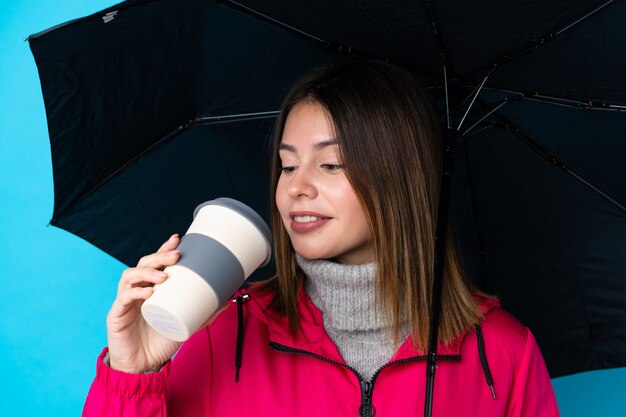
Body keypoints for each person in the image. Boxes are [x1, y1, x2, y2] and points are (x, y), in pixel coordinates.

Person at [82, 60, 560, 417]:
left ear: (398, 180)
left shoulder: (504, 353)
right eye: (288, 165)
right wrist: (133, 373)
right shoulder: (222, 333)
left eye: (330, 164)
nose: (296, 187)